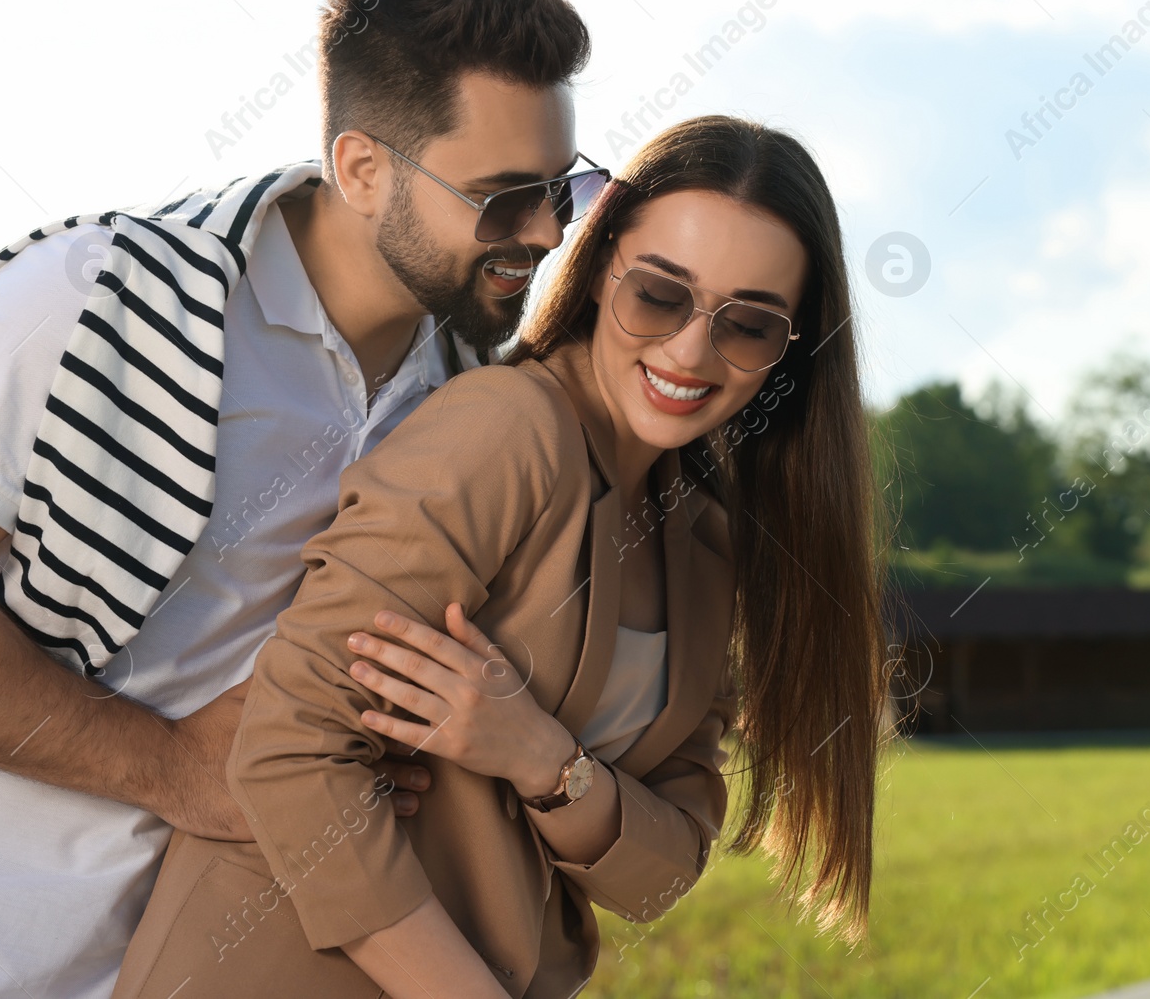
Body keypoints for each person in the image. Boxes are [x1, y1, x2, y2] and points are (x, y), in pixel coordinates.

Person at [0, 0, 606, 999]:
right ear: (362, 168)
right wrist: (171, 766)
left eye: (560, 189)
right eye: (503, 199)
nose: (546, 234)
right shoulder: (105, 299)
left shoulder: (467, 399)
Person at [111, 115, 894, 998]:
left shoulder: (709, 549)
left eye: (747, 324)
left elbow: (663, 869)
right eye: (659, 295)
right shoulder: (506, 429)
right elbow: (287, 749)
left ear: (789, 353)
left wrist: (544, 761)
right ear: (601, 270)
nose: (688, 351)